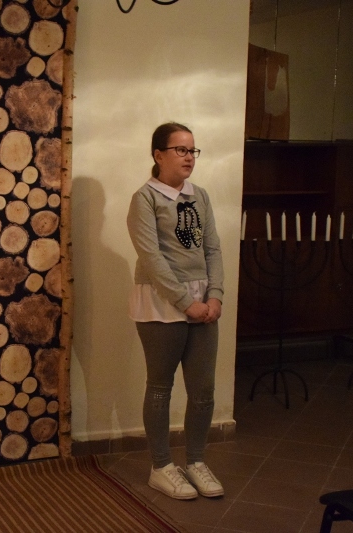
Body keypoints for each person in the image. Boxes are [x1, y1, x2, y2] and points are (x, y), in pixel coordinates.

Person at [126, 122, 225, 500]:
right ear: (159, 154)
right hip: (161, 303)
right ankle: (162, 466)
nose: (188, 157)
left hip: (204, 303)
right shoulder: (144, 198)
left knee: (203, 390)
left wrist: (215, 297)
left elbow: (212, 249)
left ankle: (196, 461)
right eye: (181, 150)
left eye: (192, 151)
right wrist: (187, 303)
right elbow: (152, 259)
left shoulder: (200, 195)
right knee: (160, 387)